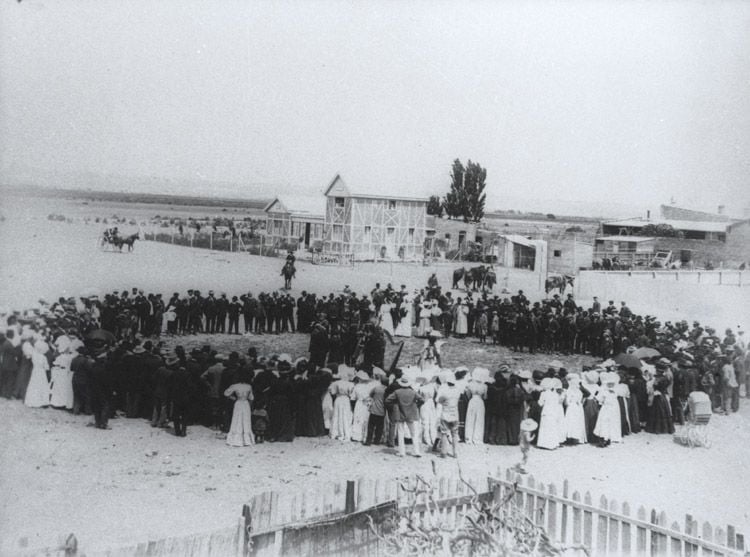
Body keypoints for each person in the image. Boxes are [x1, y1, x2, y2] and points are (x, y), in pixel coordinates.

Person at [386, 375, 424, 457]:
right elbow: (422, 399)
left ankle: (402, 452)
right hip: (411, 414)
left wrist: (395, 404)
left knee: (400, 432)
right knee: (414, 433)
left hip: (400, 413)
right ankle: (416, 451)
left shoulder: (397, 392)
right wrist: (416, 406)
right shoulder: (413, 392)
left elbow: (388, 400)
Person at [224, 368, 255, 446]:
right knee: (246, 420)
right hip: (246, 403)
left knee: (237, 419)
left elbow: (226, 393)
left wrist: (233, 398)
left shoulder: (235, 386)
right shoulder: (249, 386)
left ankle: (236, 439)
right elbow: (251, 398)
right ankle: (247, 440)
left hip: (238, 402)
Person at [594, 372, 623, 447]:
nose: (611, 385)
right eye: (609, 383)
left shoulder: (616, 391)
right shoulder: (604, 391)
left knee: (612, 422)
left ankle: (610, 437)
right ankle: (604, 438)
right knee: (604, 422)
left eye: (612, 383)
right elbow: (600, 400)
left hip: (614, 409)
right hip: (606, 408)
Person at [436, 371, 460, 458]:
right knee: (455, 434)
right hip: (455, 415)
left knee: (444, 434)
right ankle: (455, 452)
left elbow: (438, 401)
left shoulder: (445, 393)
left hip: (445, 415)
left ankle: (444, 452)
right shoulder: (457, 391)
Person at [537, 378, 565, 450]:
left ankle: (543, 443)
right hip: (553, 412)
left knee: (544, 427)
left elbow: (540, 404)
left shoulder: (543, 393)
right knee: (552, 428)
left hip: (546, 412)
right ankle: (553, 443)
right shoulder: (555, 394)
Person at [328, 367, 354, 441]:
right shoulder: (350, 384)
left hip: (338, 399)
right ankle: (345, 433)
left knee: (337, 415)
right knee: (345, 415)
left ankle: (336, 433)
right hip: (346, 399)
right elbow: (351, 394)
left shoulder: (336, 383)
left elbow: (332, 392)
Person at [464, 368, 488, 445]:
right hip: (480, 402)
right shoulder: (484, 386)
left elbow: (468, 395)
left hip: (472, 401)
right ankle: (477, 438)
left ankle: (468, 438)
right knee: (479, 420)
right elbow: (485, 397)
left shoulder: (470, 384)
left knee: (470, 419)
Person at [25, 339, 51, 408]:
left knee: (33, 385)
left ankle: (32, 401)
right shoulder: (43, 357)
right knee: (41, 386)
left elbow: (28, 355)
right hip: (41, 372)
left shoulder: (34, 355)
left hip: (35, 371)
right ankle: (41, 401)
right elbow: (47, 367)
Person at [563, 374, 587, 444]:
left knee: (570, 421)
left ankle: (569, 437)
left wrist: (568, 404)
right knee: (576, 422)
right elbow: (580, 401)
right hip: (578, 407)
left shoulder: (568, 391)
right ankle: (575, 437)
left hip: (571, 407)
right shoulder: (579, 392)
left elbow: (567, 402)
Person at [351, 370, 373, 442]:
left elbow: (353, 397)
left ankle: (357, 436)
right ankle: (365, 436)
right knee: (366, 418)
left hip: (359, 403)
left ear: (359, 379)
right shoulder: (369, 387)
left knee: (358, 418)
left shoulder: (356, 387)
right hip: (367, 404)